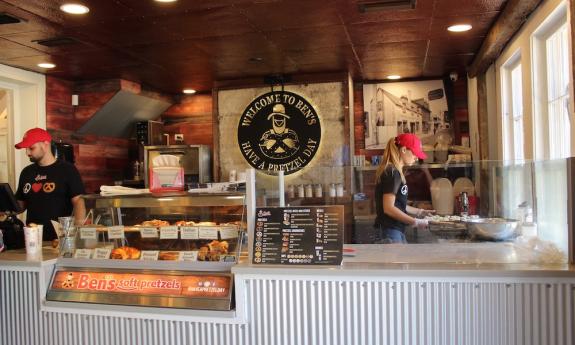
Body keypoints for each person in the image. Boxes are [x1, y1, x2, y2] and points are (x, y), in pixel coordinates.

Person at [14, 128, 86, 241]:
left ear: (45, 144)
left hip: (59, 239)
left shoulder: (67, 170)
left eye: (31, 148)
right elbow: (20, 206)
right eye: (26, 149)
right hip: (32, 239)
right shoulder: (27, 172)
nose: (27, 153)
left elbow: (79, 201)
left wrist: (79, 232)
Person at [374, 133, 434, 243]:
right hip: (390, 231)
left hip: (395, 229)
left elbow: (398, 205)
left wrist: (420, 212)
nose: (416, 158)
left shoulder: (396, 171)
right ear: (404, 150)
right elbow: (389, 208)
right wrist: (415, 222)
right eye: (415, 153)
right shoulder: (392, 172)